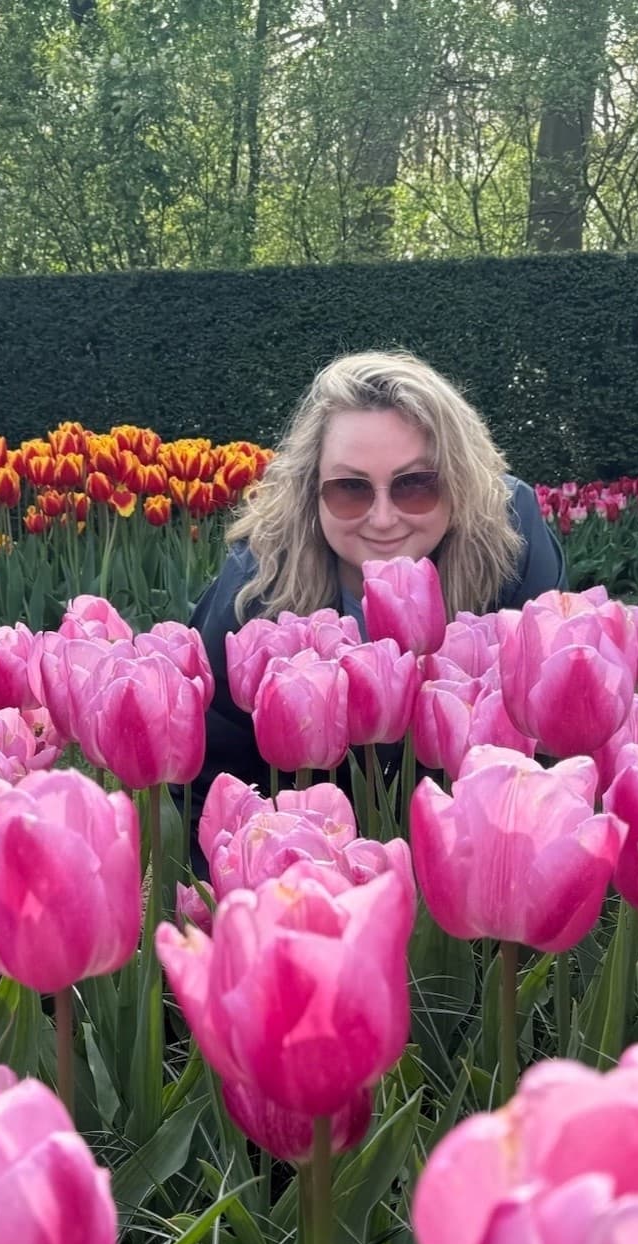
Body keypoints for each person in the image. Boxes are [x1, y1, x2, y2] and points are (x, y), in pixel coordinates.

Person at [180, 349, 566, 863]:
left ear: (460, 483)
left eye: (416, 484)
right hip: (315, 868)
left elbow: (545, 727)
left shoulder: (509, 540)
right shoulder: (260, 582)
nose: (383, 519)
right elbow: (207, 772)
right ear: (309, 493)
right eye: (349, 490)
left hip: (475, 866)